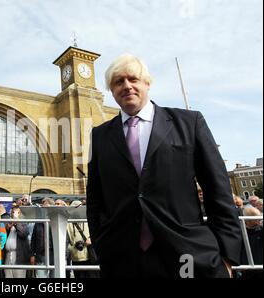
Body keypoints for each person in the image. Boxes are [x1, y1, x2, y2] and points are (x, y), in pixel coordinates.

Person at [86, 54, 242, 278]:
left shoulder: (189, 123)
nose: (127, 86)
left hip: (187, 256)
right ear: (111, 90)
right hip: (123, 260)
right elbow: (95, 198)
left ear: (147, 83)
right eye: (118, 82)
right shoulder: (99, 135)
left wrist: (227, 256)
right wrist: (103, 248)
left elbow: (218, 190)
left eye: (133, 79)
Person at [3, 205, 30, 278]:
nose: (13, 214)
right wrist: (8, 228)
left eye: (16, 212)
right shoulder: (8, 224)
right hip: (8, 256)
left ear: (20, 214)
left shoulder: (24, 223)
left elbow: (23, 233)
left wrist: (16, 222)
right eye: (12, 212)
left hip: (19, 257)